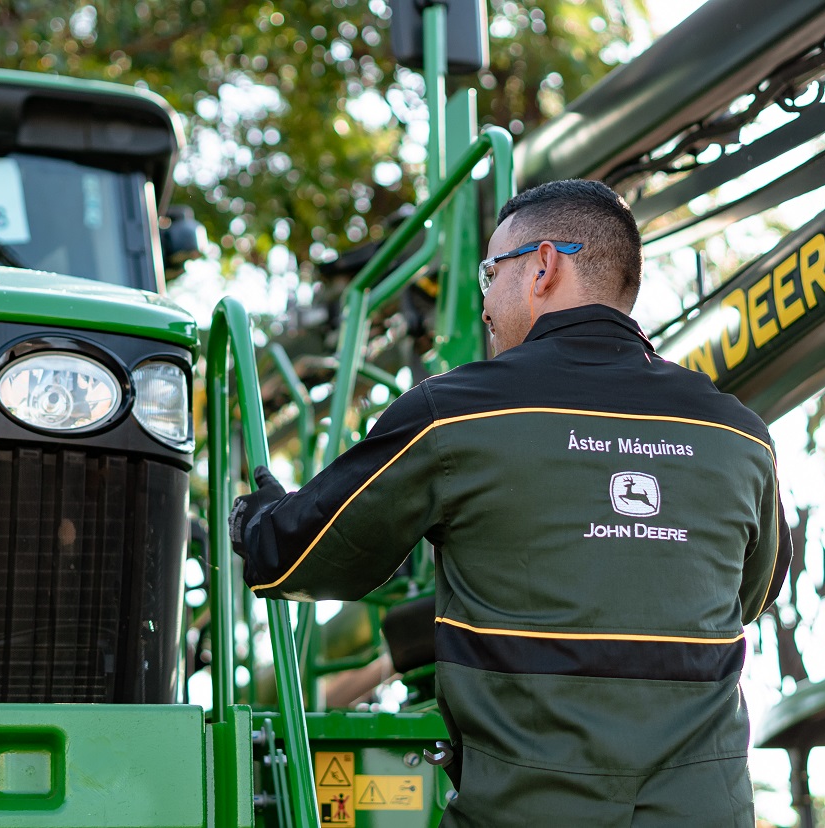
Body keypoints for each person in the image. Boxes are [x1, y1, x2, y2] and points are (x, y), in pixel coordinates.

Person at [231, 179, 793, 827]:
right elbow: (746, 598)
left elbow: (301, 559)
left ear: (543, 267)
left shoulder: (458, 413)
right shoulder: (739, 433)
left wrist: (255, 518)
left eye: (490, 272)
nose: (486, 302)